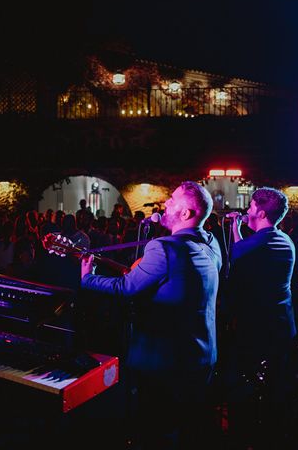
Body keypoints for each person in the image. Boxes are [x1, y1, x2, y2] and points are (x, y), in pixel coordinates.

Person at [80, 181, 222, 449]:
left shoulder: (163, 248)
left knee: (155, 429)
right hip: (202, 355)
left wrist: (88, 278)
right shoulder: (211, 244)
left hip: (165, 362)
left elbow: (126, 288)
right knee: (187, 427)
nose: (165, 204)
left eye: (173, 200)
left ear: (186, 214)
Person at [224, 187, 296, 449]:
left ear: (261, 212)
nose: (247, 211)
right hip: (282, 325)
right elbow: (245, 249)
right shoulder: (285, 241)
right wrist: (237, 229)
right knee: (275, 385)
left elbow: (237, 260)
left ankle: (247, 436)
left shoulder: (252, 246)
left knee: (247, 385)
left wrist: (235, 227)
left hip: (256, 328)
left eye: (251, 206)